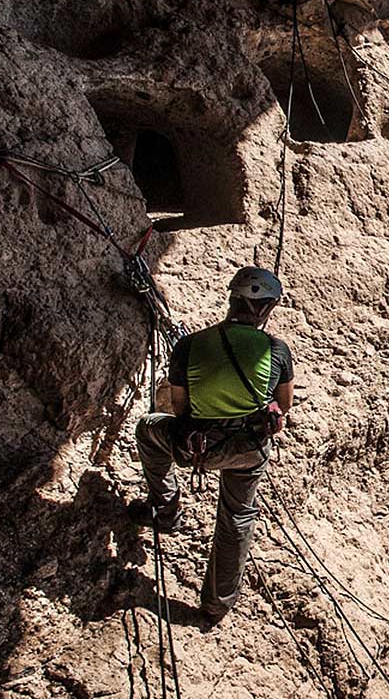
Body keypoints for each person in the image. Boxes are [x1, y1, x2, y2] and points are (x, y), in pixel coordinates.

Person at [132, 266, 295, 621]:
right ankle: (217, 604)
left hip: (195, 446)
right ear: (267, 309)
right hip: (247, 451)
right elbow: (283, 407)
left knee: (149, 430)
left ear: (231, 300)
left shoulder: (189, 345)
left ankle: (166, 510)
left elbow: (180, 407)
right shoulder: (276, 350)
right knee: (237, 517)